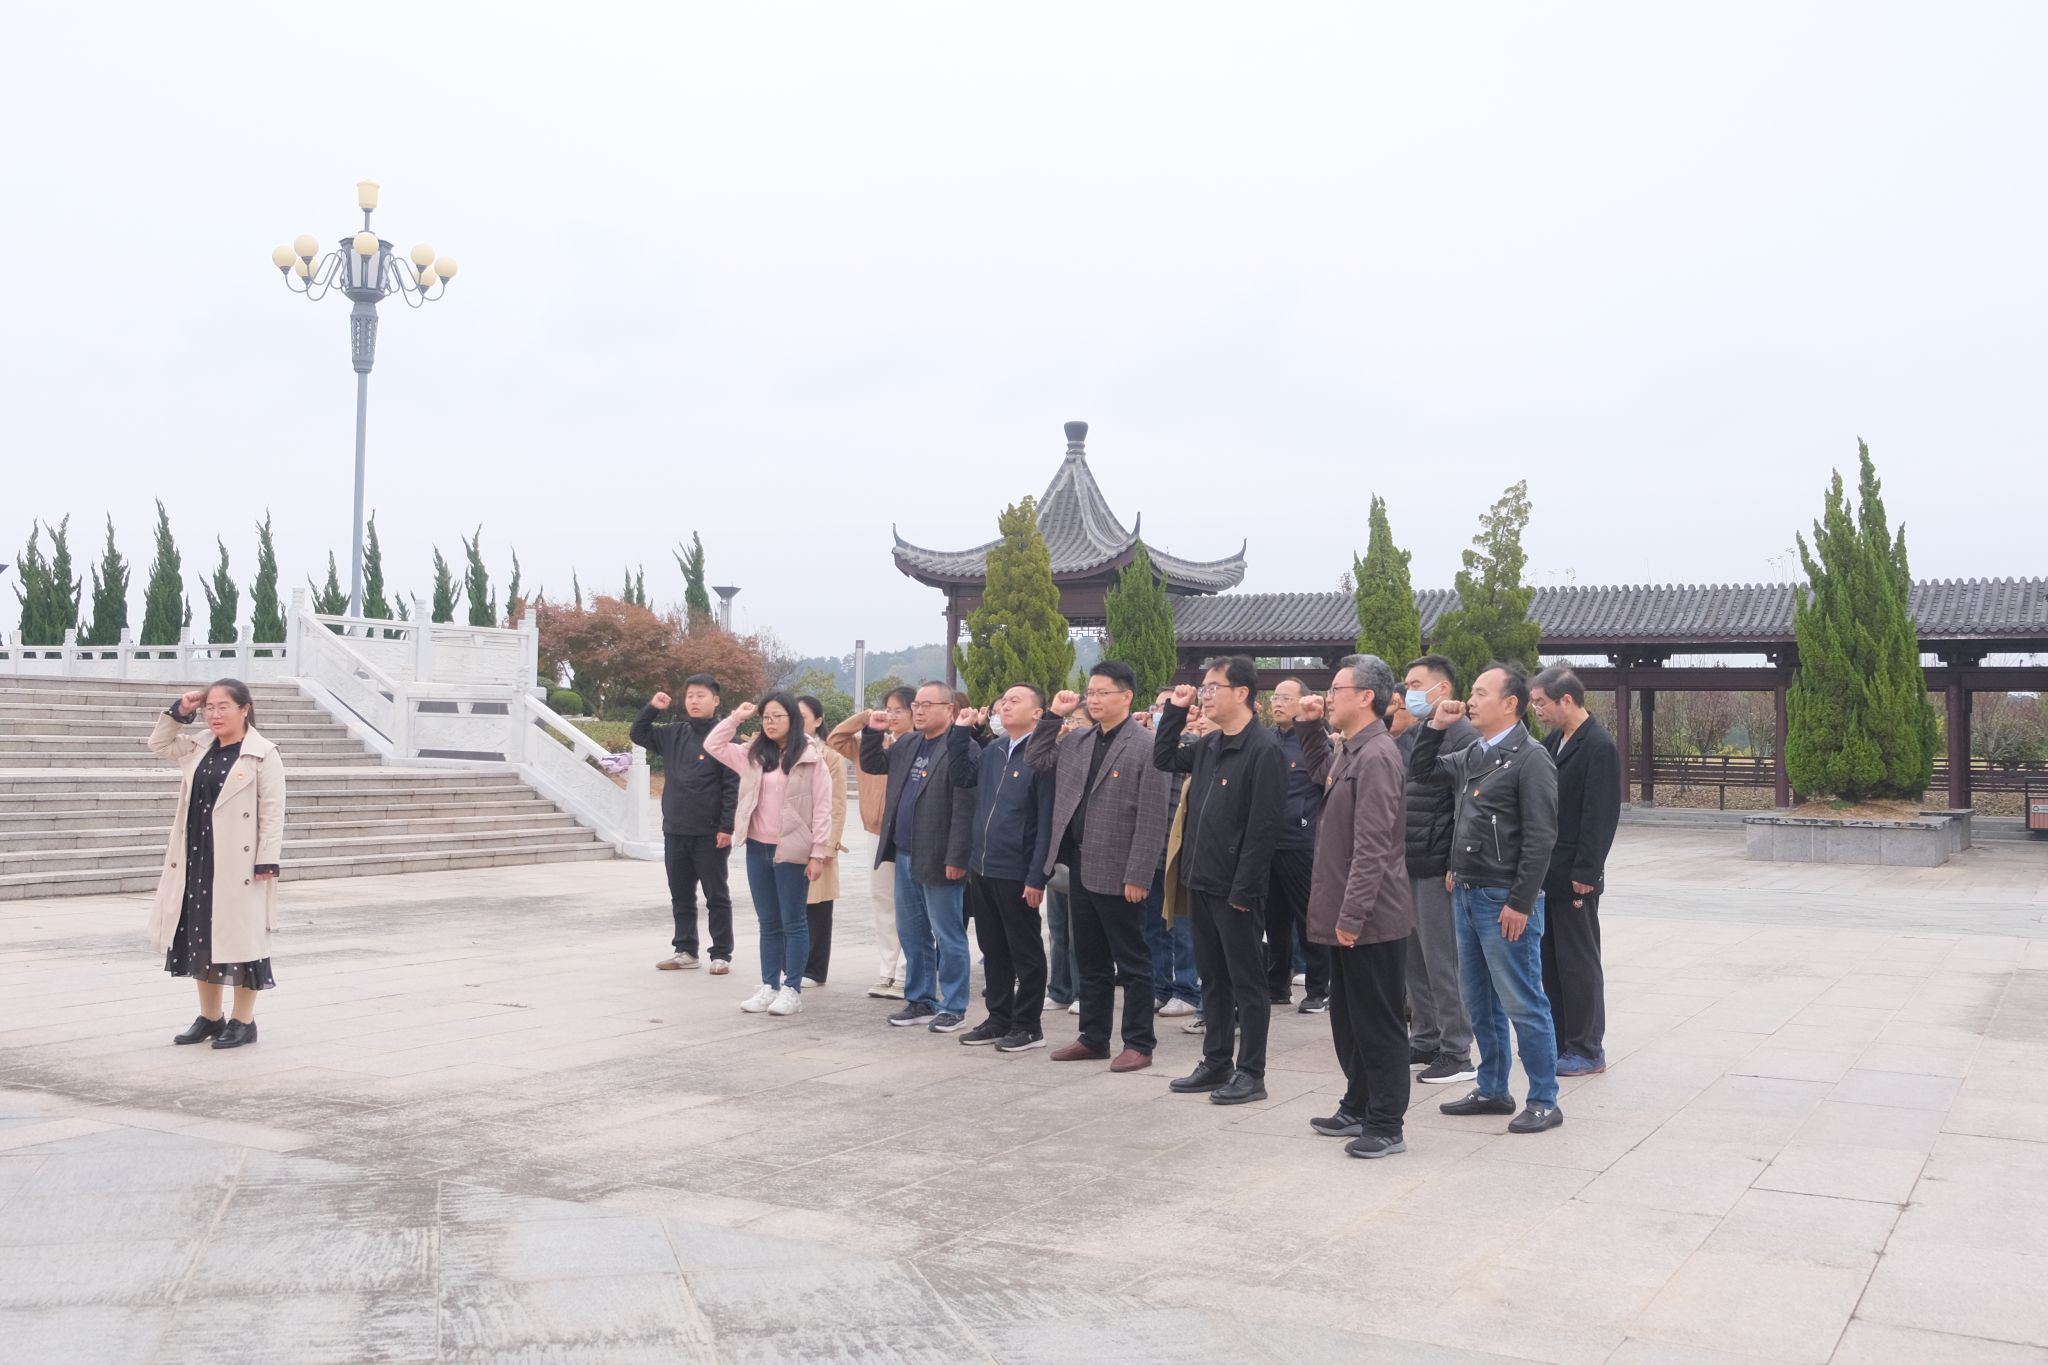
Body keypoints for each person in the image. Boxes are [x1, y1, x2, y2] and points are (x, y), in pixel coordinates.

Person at [1409, 662, 1563, 1134]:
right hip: (1466, 892)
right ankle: (1493, 1087)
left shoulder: (1530, 759)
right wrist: (1435, 726)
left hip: (1503, 898)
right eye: (1472, 692)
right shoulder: (1475, 752)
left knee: (1522, 1000)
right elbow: (1421, 771)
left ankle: (1544, 1098)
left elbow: (1540, 838)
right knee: (1480, 1001)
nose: (1470, 700)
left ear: (1511, 704)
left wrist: (1521, 901)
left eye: (1480, 693)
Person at [1026, 661, 1174, 1072]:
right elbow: (1037, 758)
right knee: (1089, 958)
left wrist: (1139, 874)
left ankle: (1139, 1043)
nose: (1093, 699)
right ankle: (1093, 1037)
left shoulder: (1146, 746)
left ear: (1126, 696)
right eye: (1089, 692)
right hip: (1079, 862)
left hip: (1121, 868)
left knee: (1132, 960)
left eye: (1101, 692)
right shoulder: (1078, 739)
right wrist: (1053, 715)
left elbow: (1152, 816)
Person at [1154, 656, 1287, 1105]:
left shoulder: (1264, 750)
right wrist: (1175, 710)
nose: (1206, 695)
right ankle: (1216, 1062)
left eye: (1214, 687)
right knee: (1212, 979)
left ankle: (1251, 1072)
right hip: (1201, 880)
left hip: (1236, 890)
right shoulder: (1209, 745)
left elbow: (1263, 829)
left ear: (1242, 693)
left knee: (1247, 983)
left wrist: (1244, 889)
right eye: (1204, 687)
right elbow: (1163, 757)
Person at [1304, 655, 1414, 1157]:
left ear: (1366, 696)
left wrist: (1351, 916)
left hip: (1371, 918)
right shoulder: (1351, 749)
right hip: (1345, 911)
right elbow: (1317, 777)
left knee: (1378, 1021)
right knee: (1348, 1020)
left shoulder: (1378, 756)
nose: (1329, 697)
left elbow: (1373, 848)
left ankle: (1386, 1123)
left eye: (1336, 689)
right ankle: (1358, 1104)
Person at [149, 679, 285, 1050]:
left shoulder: (262, 753)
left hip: (241, 865)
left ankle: (244, 1021)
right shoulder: (200, 745)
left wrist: (267, 859)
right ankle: (210, 1017)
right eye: (209, 707)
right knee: (201, 936)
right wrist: (181, 711)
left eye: (223, 706)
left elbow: (273, 812)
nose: (214, 714)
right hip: (197, 856)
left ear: (245, 709)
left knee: (243, 939)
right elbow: (159, 744)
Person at [704, 693, 833, 1017]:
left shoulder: (810, 757)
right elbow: (713, 745)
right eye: (765, 717)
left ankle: (792, 989)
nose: (770, 722)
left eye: (777, 716)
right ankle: (769, 986)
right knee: (768, 922)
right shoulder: (752, 754)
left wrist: (818, 853)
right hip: (757, 846)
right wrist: (736, 717)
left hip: (792, 849)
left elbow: (822, 807)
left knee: (794, 922)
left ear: (792, 719)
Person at [949, 685, 1056, 1052]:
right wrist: (960, 732)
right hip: (983, 864)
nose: (1004, 706)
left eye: (1015, 701)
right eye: (1003, 702)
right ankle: (998, 1017)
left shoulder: (1043, 756)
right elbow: (962, 776)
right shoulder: (994, 750)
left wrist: (1037, 875)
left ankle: (1028, 1025)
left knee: (1024, 950)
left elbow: (1047, 822)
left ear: (1038, 713)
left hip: (1017, 868)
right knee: (992, 947)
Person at [862, 681, 973, 1033]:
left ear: (950, 709)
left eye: (928, 705)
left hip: (940, 855)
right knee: (912, 932)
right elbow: (874, 764)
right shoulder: (909, 742)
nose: (919, 711)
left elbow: (965, 808)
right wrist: (872, 732)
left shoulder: (961, 746)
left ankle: (954, 1005)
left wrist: (958, 856)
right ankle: (921, 1000)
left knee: (948, 934)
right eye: (917, 705)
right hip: (905, 852)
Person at [1530, 667, 1621, 1076]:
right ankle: (1561, 1040)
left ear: (1566, 699)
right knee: (1550, 962)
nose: (1537, 711)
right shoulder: (1554, 741)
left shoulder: (1598, 745)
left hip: (1575, 876)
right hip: (1548, 873)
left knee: (1578, 963)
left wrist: (1587, 870)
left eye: (1541, 703)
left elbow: (1600, 815)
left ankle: (1587, 1047)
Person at [1393, 655, 1480, 1086]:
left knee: (1443, 962)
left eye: (1415, 684)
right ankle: (1425, 1038)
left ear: (1441, 689)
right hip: (1409, 860)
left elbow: (1467, 808)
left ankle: (1457, 1050)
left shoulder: (1465, 738)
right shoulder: (1415, 735)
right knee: (1415, 961)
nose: (1408, 692)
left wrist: (1453, 863)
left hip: (1438, 866)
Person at [633, 674, 741, 975]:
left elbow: (732, 786)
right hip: (676, 828)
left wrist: (726, 827)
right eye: (690, 695)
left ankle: (721, 953)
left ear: (716, 700)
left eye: (701, 695)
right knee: (680, 894)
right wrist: (652, 707)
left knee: (716, 895)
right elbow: (639, 734)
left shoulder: (726, 739)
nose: (694, 700)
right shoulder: (674, 733)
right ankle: (685, 950)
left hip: (710, 832)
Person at [828, 687, 914, 999]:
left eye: (899, 710)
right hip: (876, 833)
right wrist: (867, 718)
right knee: (882, 901)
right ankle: (887, 969)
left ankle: (907, 971)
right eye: (888, 709)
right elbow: (835, 739)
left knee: (910, 904)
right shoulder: (870, 743)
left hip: (908, 834)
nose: (892, 715)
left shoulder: (919, 745)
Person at [1267, 679, 1333, 1014]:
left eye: (1285, 697)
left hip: (1302, 842)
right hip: (1268, 843)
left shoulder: (1315, 742)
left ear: (1305, 701)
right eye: (1275, 697)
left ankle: (1319, 988)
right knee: (1273, 920)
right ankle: (1276, 984)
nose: (1278, 703)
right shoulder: (1266, 740)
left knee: (1309, 918)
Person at [1143, 692, 1201, 1024]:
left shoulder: (1192, 746)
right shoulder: (1147, 748)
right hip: (1152, 851)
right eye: (1159, 708)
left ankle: (1186, 989)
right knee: (1154, 927)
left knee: (1182, 928)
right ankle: (1160, 986)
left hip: (1179, 853)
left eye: (1169, 708)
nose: (1161, 714)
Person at [796, 696, 851, 988]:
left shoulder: (829, 756)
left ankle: (814, 970)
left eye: (802, 717)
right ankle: (790, 966)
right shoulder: (781, 752)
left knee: (816, 908)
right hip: (788, 842)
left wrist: (829, 845)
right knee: (789, 907)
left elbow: (837, 804)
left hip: (817, 840)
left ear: (818, 720)